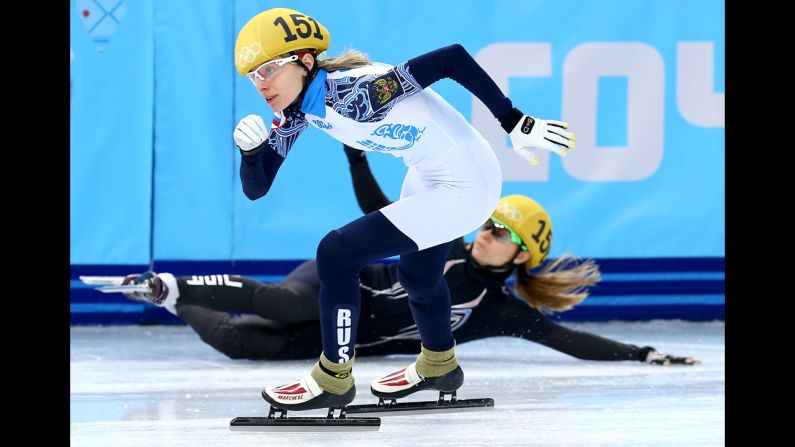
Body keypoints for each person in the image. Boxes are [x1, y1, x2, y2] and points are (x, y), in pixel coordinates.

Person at [232, 7, 577, 411]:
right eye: (253, 76)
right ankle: (440, 364)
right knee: (417, 274)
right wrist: (251, 152)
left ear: (305, 62)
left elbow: (452, 57)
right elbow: (257, 188)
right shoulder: (296, 112)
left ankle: (333, 378)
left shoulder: (358, 93)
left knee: (336, 252)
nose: (261, 84)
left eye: (269, 69)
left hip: (467, 184)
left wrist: (512, 120)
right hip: (430, 172)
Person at [119, 146, 699, 370]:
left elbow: (567, 340)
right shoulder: (443, 239)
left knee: (241, 343)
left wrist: (642, 352)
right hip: (334, 283)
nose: (486, 231)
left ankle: (174, 303)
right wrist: (356, 162)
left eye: (501, 231)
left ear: (521, 254)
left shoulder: (498, 312)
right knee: (283, 304)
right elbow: (383, 215)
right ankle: (175, 283)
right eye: (489, 221)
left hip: (345, 341)